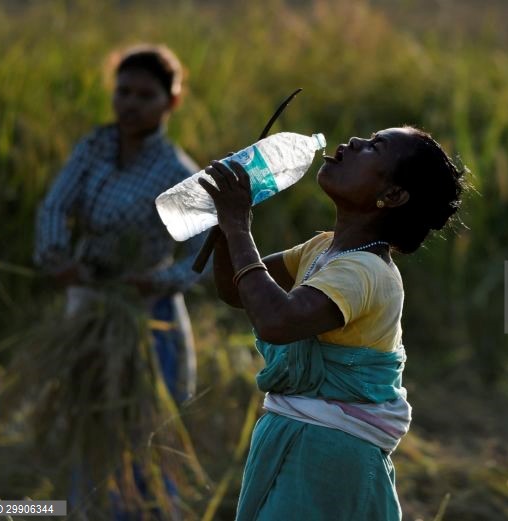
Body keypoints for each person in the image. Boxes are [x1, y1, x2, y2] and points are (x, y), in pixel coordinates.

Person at [199, 125, 466, 520]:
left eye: (375, 147)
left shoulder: (364, 272)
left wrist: (238, 226)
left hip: (328, 458)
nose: (355, 142)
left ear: (393, 195)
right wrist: (225, 227)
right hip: (303, 442)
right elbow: (237, 290)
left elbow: (276, 321)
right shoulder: (324, 248)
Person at [34, 44, 205, 518]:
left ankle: (146, 510)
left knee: (145, 424)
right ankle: (84, 509)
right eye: (123, 91)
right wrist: (56, 257)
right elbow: (55, 206)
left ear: (171, 102)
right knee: (89, 417)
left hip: (146, 315)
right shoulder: (95, 147)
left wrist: (155, 282)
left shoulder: (177, 172)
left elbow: (203, 256)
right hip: (90, 300)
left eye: (145, 96)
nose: (130, 104)